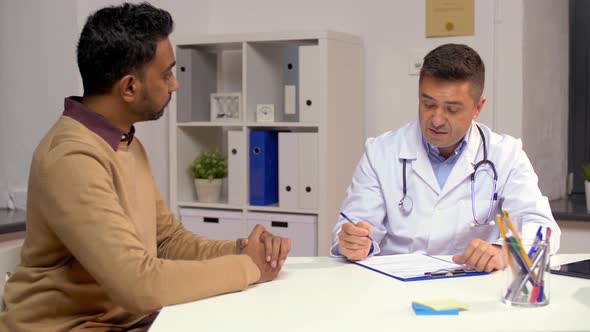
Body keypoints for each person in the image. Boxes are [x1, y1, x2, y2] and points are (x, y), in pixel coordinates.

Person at [0, 3, 291, 331]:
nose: (175, 85)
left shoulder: (125, 143)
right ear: (128, 87)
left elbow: (167, 240)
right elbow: (140, 285)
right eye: (166, 74)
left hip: (129, 321)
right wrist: (247, 268)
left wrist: (240, 250)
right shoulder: (71, 159)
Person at [331, 43, 560, 272]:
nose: (437, 120)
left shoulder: (506, 155)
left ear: (477, 108)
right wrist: (354, 242)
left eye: (452, 109)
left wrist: (504, 251)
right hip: (397, 287)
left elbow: (542, 228)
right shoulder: (380, 153)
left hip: (472, 287)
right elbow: (355, 226)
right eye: (428, 104)